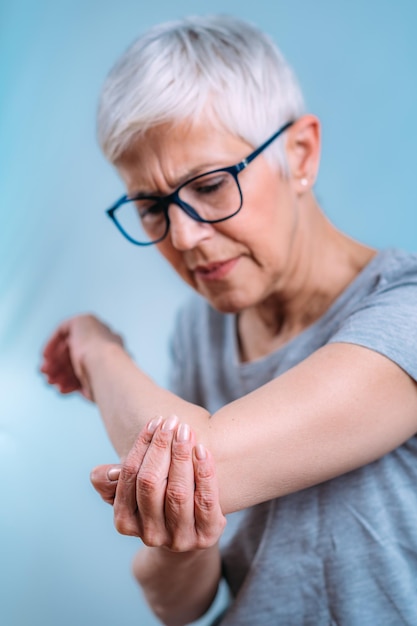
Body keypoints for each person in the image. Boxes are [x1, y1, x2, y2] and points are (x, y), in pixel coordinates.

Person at [41, 14, 417, 626]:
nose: (185, 236)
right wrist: (174, 522)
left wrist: (97, 348)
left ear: (300, 154)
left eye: (212, 186)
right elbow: (180, 603)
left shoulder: (407, 309)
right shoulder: (201, 331)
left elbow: (205, 459)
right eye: (151, 207)